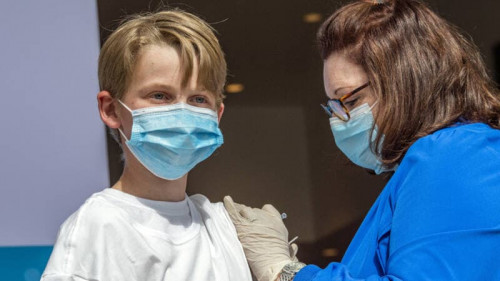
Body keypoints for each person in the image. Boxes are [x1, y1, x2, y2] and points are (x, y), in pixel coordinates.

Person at [224, 0, 500, 280]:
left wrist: (285, 272)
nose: (338, 121)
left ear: (406, 80)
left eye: (351, 100)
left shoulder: (455, 155)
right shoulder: (430, 165)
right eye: (333, 107)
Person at [42, 9, 252, 281]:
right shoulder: (101, 226)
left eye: (199, 99)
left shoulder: (221, 225)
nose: (182, 114)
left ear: (217, 115)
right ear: (112, 109)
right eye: (160, 95)